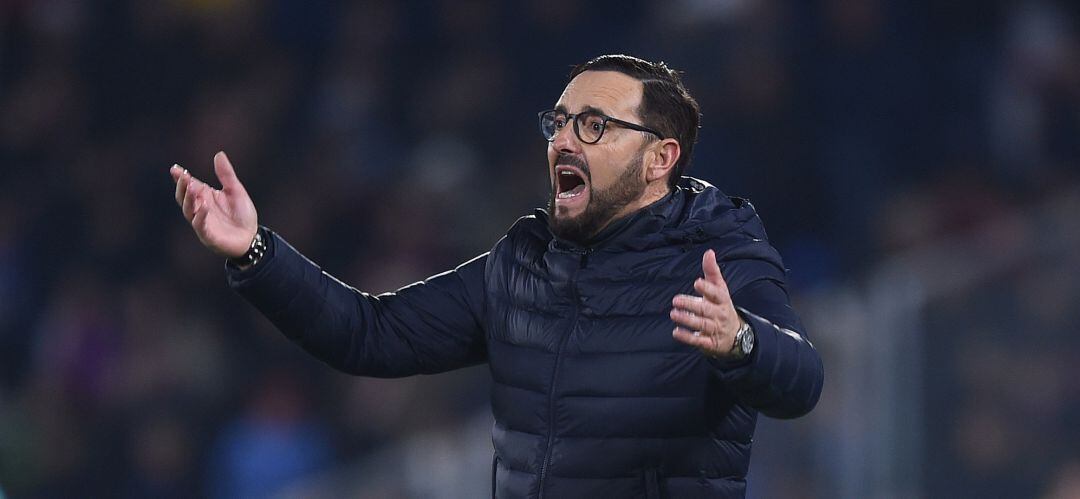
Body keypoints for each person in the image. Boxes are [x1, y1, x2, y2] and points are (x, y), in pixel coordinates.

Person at [170, 54, 823, 498]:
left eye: (593, 125)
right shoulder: (521, 266)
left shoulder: (720, 254)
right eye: (558, 122)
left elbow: (802, 378)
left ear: (660, 158)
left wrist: (741, 341)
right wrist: (255, 250)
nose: (564, 140)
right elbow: (369, 333)